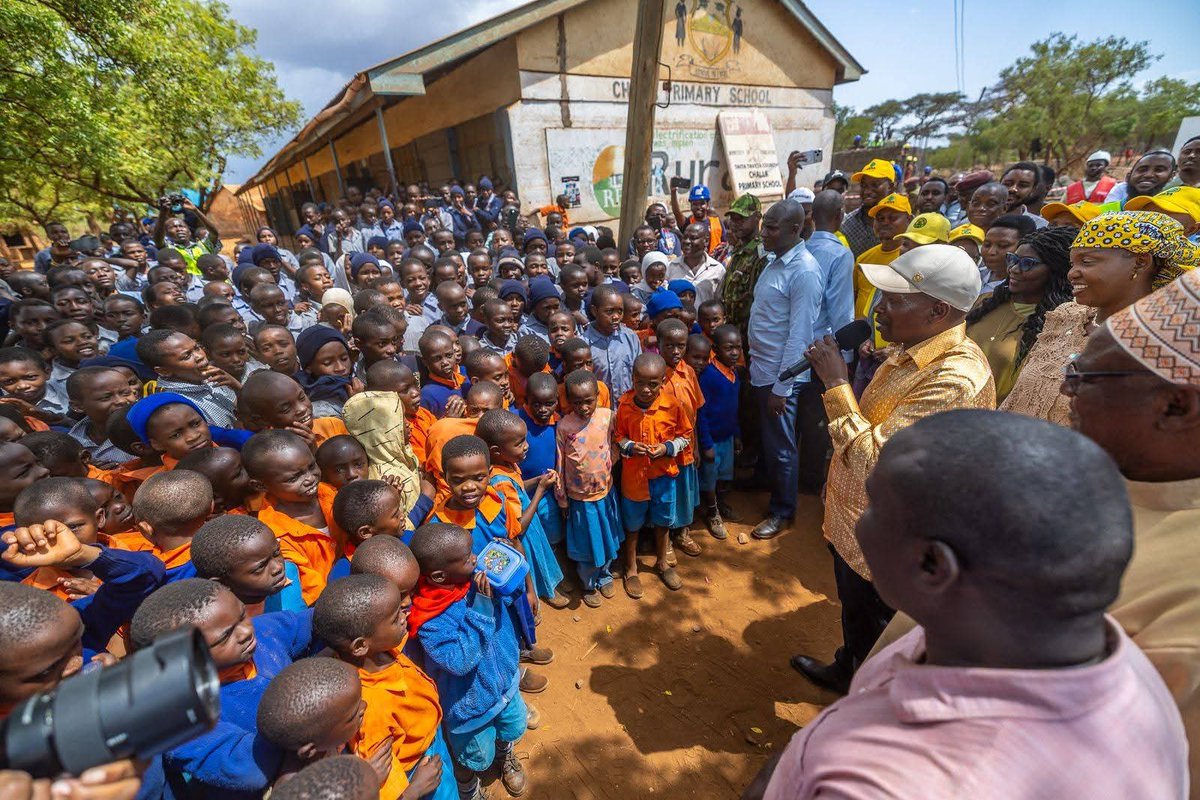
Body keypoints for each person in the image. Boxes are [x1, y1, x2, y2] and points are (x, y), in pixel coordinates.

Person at [749, 410, 1188, 800]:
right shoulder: (1123, 674)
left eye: (874, 506)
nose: (859, 521)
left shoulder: (886, 784)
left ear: (932, 564)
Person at [792, 244, 996, 693]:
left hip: (891, 546)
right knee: (856, 613)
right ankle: (848, 668)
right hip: (856, 525)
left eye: (895, 299)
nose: (879, 309)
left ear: (938, 311)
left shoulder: (952, 379)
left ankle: (863, 705)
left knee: (880, 638)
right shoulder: (911, 350)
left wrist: (834, 384)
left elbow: (877, 462)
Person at [1002, 211, 1197, 426]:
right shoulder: (1066, 316)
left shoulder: (1163, 342)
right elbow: (1016, 397)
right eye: (1072, 263)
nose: (1072, 274)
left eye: (1087, 261)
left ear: (1141, 262)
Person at [130, 579, 313, 798]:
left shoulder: (263, 633)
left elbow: (323, 620)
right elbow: (247, 769)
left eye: (242, 615)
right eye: (226, 636)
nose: (245, 631)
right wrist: (312, 713)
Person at [408, 522, 530, 799]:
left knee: (511, 726)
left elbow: (510, 599)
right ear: (439, 576)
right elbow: (460, 661)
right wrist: (483, 606)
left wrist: (508, 568)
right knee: (472, 757)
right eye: (466, 558)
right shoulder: (429, 618)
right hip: (470, 708)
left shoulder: (475, 579)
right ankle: (469, 789)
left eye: (472, 551)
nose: (475, 558)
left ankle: (505, 756)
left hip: (505, 685)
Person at [314, 574, 455, 800]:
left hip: (430, 740)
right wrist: (413, 790)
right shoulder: (369, 708)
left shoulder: (380, 648)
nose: (404, 615)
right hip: (416, 770)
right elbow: (384, 778)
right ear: (360, 645)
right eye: (394, 617)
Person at [745, 199, 822, 540]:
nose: (764, 232)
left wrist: (783, 386)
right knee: (770, 440)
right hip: (761, 369)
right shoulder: (775, 261)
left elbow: (800, 335)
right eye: (765, 225)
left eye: (772, 227)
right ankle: (768, 484)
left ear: (794, 229)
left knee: (782, 446)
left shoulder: (804, 271)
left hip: (780, 377)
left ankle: (782, 511)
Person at [966, 226, 1077, 402]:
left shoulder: (1061, 325)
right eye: (1013, 259)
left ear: (1055, 270)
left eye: (1028, 263)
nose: (1014, 269)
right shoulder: (982, 303)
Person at [614, 353, 691, 596]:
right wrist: (629, 446)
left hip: (663, 476)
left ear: (662, 381)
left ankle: (662, 562)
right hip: (634, 478)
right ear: (632, 379)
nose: (646, 390)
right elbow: (618, 436)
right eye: (640, 383)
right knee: (633, 524)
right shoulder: (624, 406)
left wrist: (667, 448)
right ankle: (632, 567)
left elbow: (685, 436)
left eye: (653, 384)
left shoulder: (672, 406)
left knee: (663, 520)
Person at [242, 430, 341, 605]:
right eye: (294, 477)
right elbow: (315, 593)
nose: (310, 478)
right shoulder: (274, 535)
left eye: (311, 466)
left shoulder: (330, 492)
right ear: (260, 485)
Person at [254, 658, 367, 784]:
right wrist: (366, 782)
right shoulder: (297, 790)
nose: (364, 706)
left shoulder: (324, 739)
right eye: (352, 716)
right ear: (309, 751)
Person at [191, 515, 304, 614]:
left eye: (277, 552)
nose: (278, 567)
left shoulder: (290, 572)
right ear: (222, 583)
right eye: (260, 567)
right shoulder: (221, 622)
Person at [136, 330, 239, 427]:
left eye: (197, 348)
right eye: (186, 356)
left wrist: (237, 387)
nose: (199, 356)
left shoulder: (212, 377)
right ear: (164, 371)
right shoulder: (175, 404)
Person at [718, 194, 767, 341]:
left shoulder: (761, 253)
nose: (734, 223)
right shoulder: (739, 248)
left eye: (741, 219)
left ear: (757, 217)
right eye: (733, 218)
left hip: (749, 336)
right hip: (732, 333)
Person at [583, 285, 640, 403]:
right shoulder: (584, 343)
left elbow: (638, 373)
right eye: (609, 311)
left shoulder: (630, 337)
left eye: (620, 311)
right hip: (599, 413)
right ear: (594, 311)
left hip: (627, 409)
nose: (616, 317)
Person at [840, 159, 896, 257]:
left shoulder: (903, 224)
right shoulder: (846, 225)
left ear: (890, 187)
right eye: (864, 185)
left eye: (875, 185)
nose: (867, 191)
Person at [667, 223, 726, 305]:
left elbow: (720, 302)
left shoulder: (718, 269)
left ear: (706, 241)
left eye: (693, 238)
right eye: (685, 237)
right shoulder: (671, 267)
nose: (687, 241)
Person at [670, 184, 723, 255]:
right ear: (691, 205)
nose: (698, 207)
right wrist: (673, 193)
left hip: (714, 263)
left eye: (702, 203)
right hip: (693, 263)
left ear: (707, 204)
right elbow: (677, 212)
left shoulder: (716, 221)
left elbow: (724, 242)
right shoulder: (688, 223)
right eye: (695, 204)